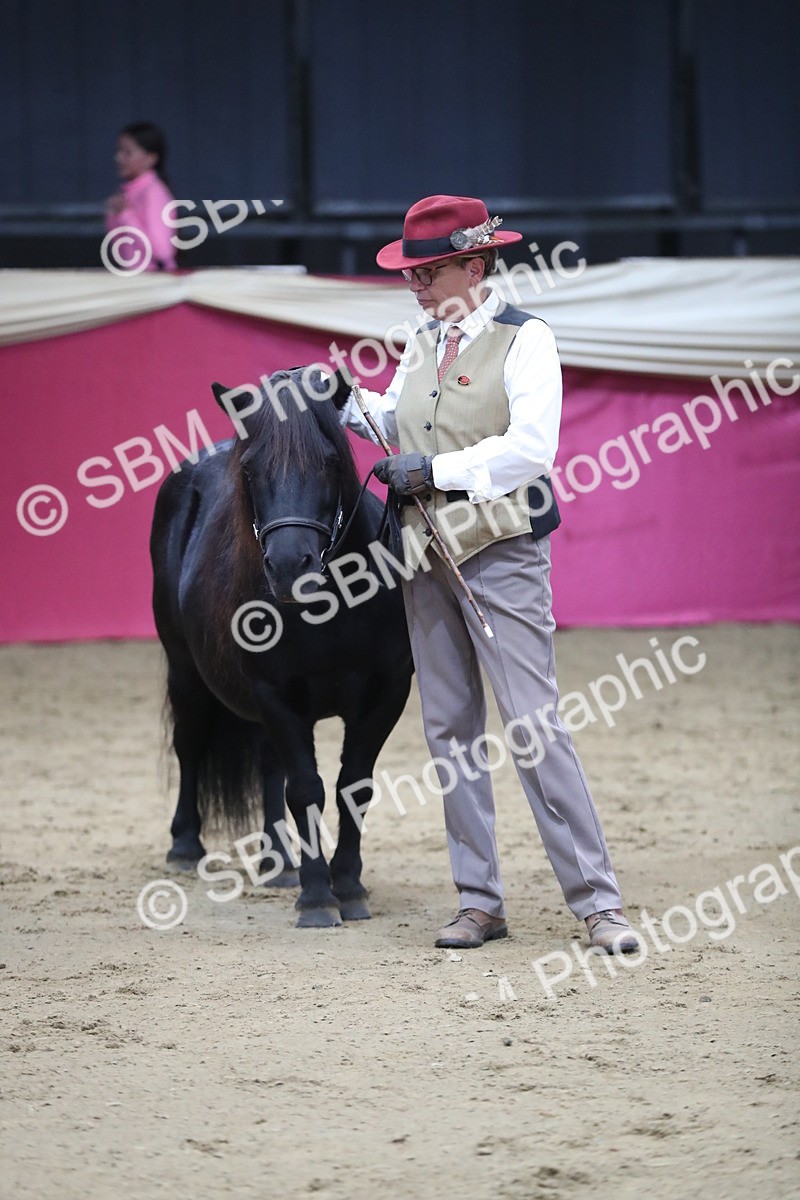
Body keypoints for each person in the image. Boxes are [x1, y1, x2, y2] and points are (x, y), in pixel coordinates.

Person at [334, 194, 639, 953]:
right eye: (412, 273)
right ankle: (479, 899)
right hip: (425, 554)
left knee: (533, 727)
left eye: (429, 272)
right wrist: (342, 401)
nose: (416, 285)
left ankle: (599, 903)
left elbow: (531, 451)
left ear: (475, 265)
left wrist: (432, 468)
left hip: (501, 553)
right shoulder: (421, 340)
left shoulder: (526, 339)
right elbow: (404, 415)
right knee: (450, 732)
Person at [104, 122, 177, 271]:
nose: (118, 158)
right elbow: (123, 250)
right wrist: (114, 216)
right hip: (135, 282)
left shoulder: (154, 193)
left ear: (150, 158)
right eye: (118, 151)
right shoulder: (129, 193)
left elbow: (162, 252)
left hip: (155, 286)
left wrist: (126, 215)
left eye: (127, 152)